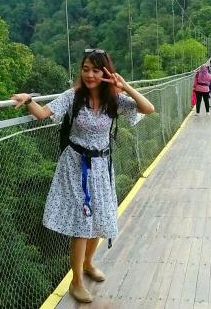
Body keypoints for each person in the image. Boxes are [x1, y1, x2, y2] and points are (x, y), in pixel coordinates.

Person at [11, 48, 155, 303]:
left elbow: (148, 108)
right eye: (85, 69)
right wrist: (29, 100)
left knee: (99, 215)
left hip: (101, 166)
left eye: (96, 70)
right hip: (76, 165)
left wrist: (125, 86)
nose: (89, 74)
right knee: (82, 223)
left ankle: (88, 263)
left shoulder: (115, 99)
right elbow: (44, 114)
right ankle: (76, 281)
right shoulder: (73, 96)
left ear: (106, 72)